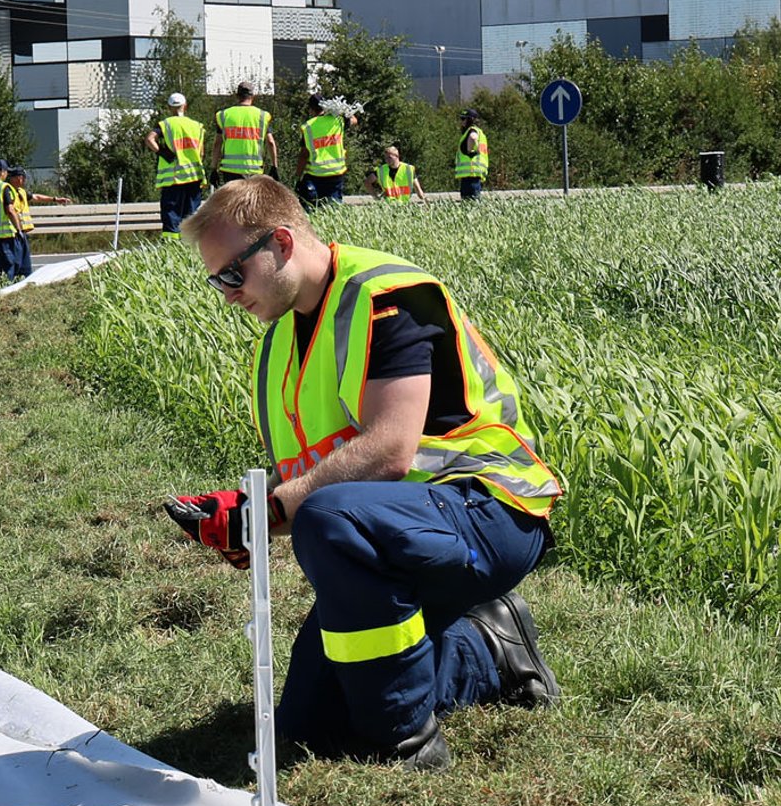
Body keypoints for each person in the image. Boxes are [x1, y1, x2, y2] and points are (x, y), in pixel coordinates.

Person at [169, 177, 562, 770]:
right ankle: (488, 647)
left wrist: (271, 510)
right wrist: (244, 518)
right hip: (394, 527)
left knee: (328, 519)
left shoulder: (382, 296)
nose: (226, 294)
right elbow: (319, 479)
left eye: (232, 274)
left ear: (280, 243)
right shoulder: (277, 348)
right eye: (214, 281)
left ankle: (406, 742)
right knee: (310, 728)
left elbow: (388, 453)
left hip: (490, 508)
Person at [144, 92, 206, 236]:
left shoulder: (165, 124)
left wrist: (162, 152)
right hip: (193, 175)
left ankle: (170, 245)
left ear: (169, 107)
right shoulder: (197, 126)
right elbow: (201, 153)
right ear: (185, 106)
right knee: (191, 213)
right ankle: (189, 245)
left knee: (172, 212)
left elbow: (149, 139)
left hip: (174, 176)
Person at [210, 82, 279, 186]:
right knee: (250, 201)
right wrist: (274, 166)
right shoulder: (262, 116)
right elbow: (270, 142)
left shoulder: (224, 115)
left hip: (230, 170)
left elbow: (217, 144)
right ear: (253, 96)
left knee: (233, 201)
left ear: (237, 96)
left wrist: (213, 168)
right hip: (254, 170)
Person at [6, 166, 68, 276]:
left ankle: (25, 280)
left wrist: (55, 199)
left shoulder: (21, 192)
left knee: (24, 265)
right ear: (19, 178)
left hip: (22, 232)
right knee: (16, 263)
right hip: (14, 232)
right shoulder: (8, 191)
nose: (24, 180)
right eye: (23, 178)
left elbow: (36, 197)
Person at [297, 94, 356, 207]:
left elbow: (304, 155)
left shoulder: (308, 127)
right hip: (336, 174)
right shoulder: (338, 121)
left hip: (315, 175)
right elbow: (354, 120)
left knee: (311, 209)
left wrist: (298, 176)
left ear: (311, 109)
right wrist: (342, 111)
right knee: (333, 210)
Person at [455, 108, 489, 200]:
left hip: (470, 174)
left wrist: (470, 150)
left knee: (469, 203)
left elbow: (473, 137)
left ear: (470, 120)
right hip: (475, 174)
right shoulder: (481, 132)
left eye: (463, 119)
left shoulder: (472, 131)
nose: (461, 122)